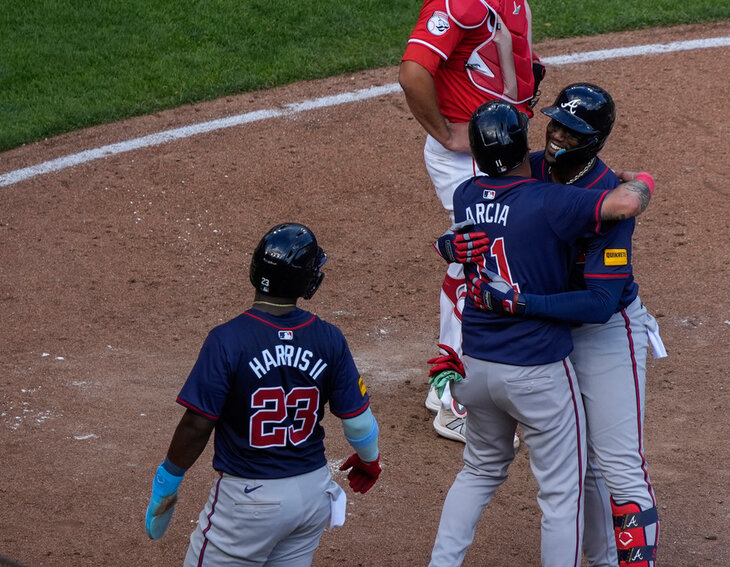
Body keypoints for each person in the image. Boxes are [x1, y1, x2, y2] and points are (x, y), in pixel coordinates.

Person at [428, 100, 655, 567]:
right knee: (577, 473)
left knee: (616, 463)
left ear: (593, 140)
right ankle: (602, 558)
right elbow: (485, 210)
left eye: (572, 132)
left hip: (600, 328)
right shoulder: (533, 172)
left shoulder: (594, 190)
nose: (557, 137)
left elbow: (600, 304)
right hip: (540, 341)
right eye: (555, 124)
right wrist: (448, 242)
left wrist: (521, 301)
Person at [144, 223, 382, 567]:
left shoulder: (227, 339)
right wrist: (370, 460)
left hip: (248, 505)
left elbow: (197, 425)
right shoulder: (329, 338)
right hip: (313, 495)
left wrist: (168, 479)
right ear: (305, 281)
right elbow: (358, 424)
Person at [398, 0, 546, 442]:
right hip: (472, 155)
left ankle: (445, 379)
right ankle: (455, 403)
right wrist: (445, 132)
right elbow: (412, 72)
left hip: (498, 144)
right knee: (482, 258)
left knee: (471, 256)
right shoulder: (461, 4)